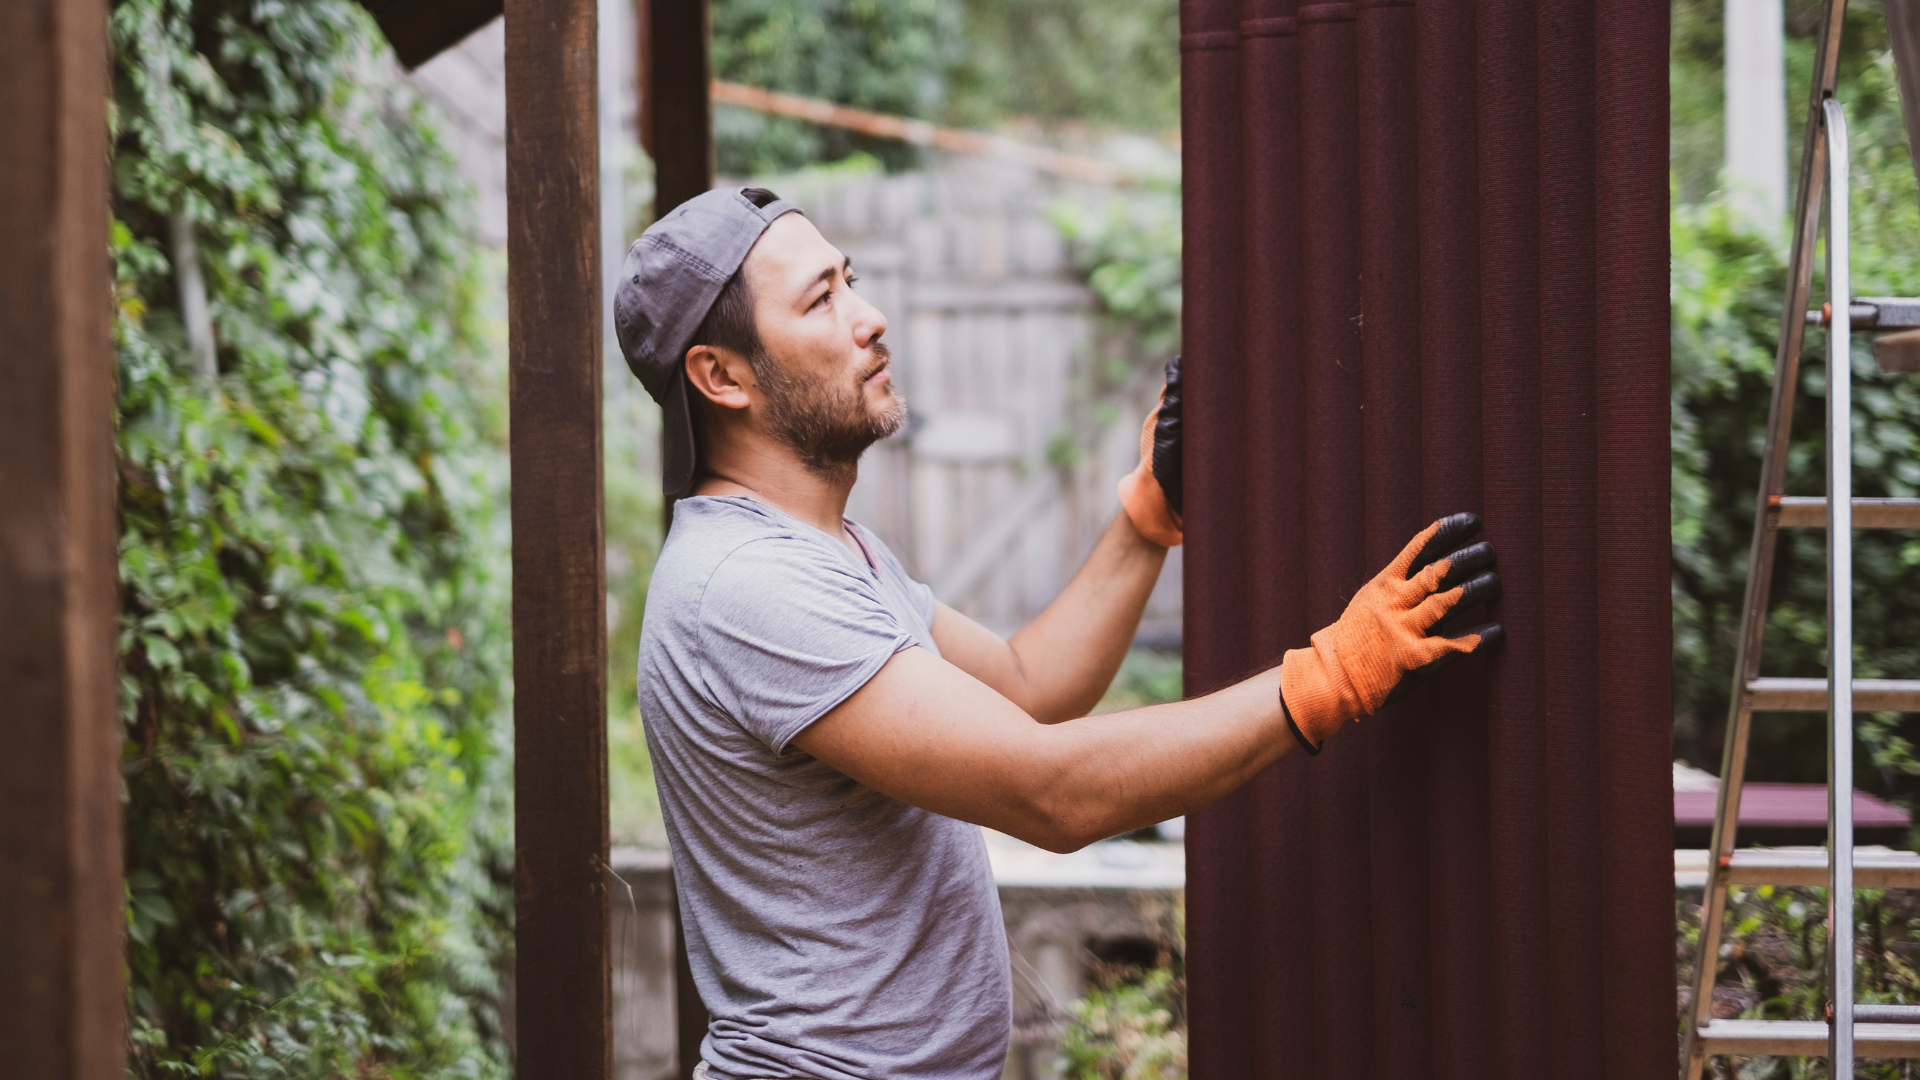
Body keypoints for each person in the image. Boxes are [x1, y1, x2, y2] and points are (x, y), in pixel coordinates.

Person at [614, 187, 1503, 1080]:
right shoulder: (751, 587)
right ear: (720, 376)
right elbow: (1053, 794)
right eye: (821, 300)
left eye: (852, 281)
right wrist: (1334, 675)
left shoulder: (835, 557)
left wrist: (1145, 521)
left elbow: (1024, 684)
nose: (872, 317)